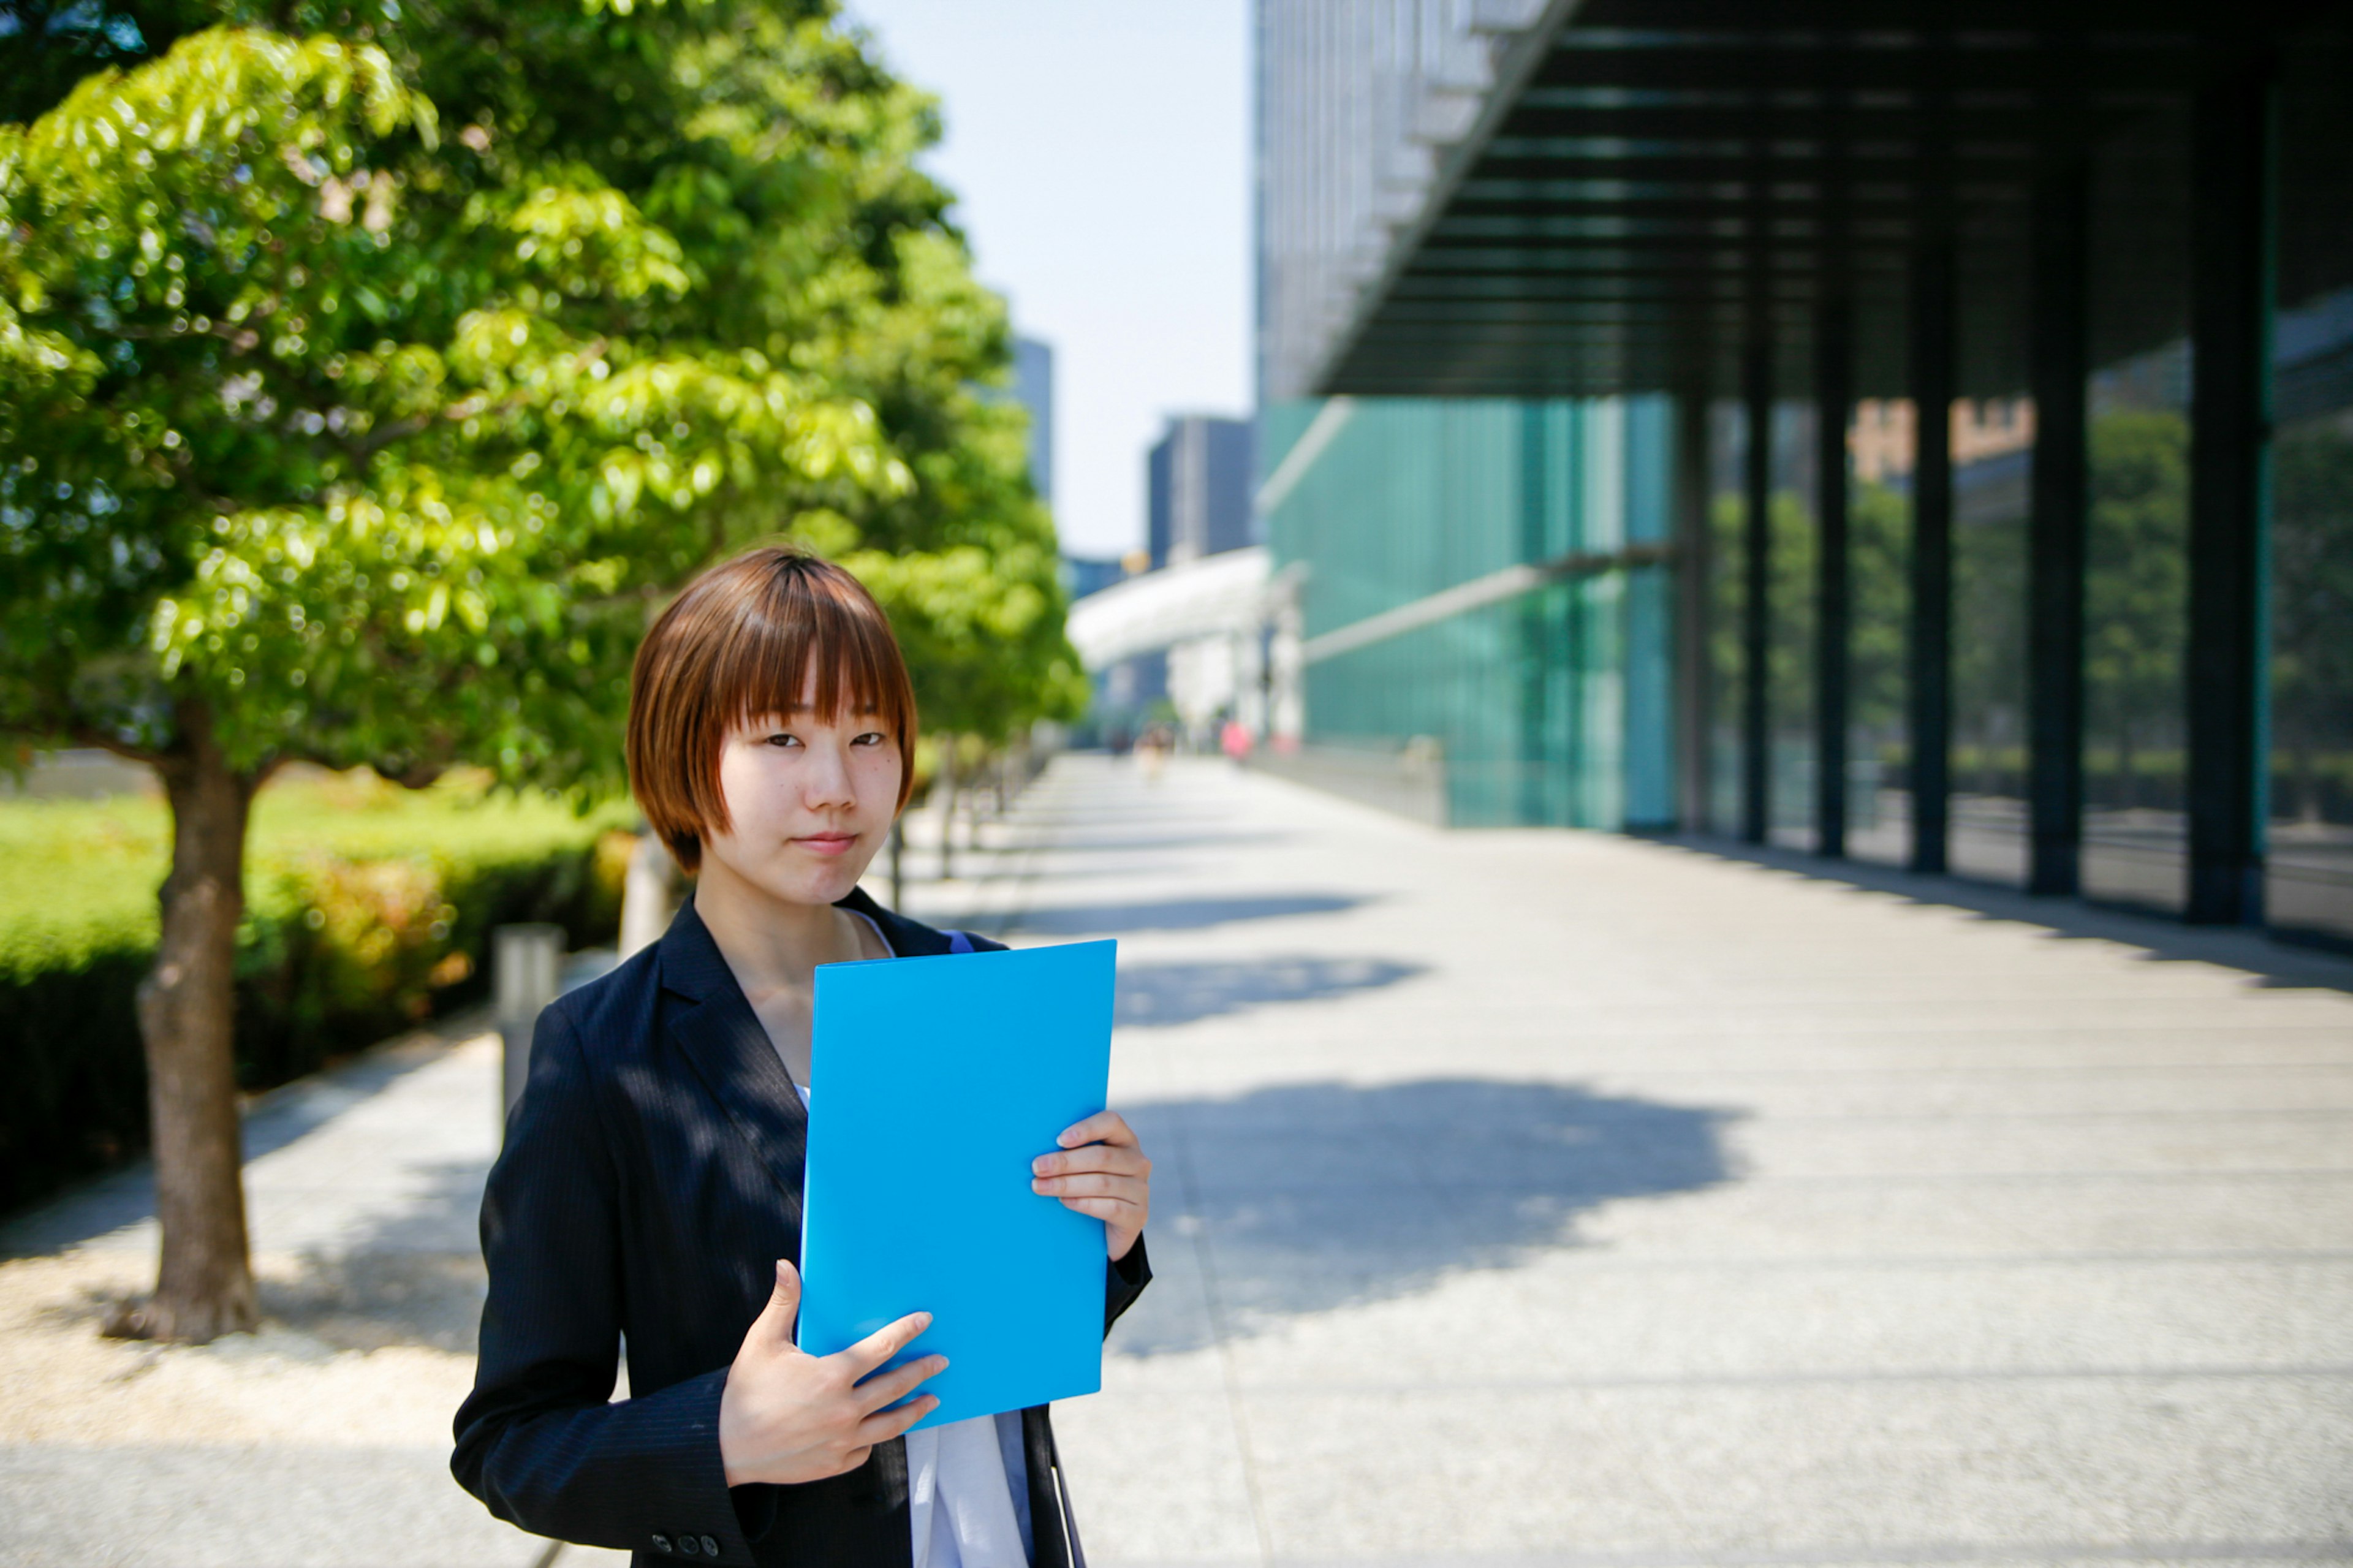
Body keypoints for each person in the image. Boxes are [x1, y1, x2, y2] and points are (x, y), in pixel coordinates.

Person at [453, 548, 1154, 1568]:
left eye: (868, 736)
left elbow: (1008, 1320)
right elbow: (509, 1444)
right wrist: (724, 1439)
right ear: (684, 758)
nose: (835, 788)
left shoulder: (973, 986)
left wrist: (1108, 1232)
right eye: (782, 737)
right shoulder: (604, 1054)